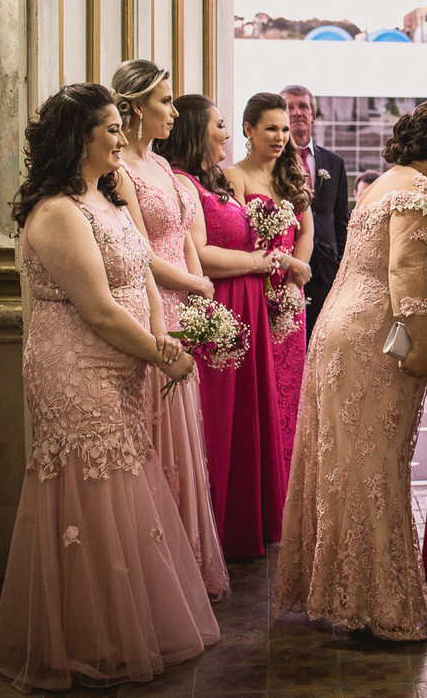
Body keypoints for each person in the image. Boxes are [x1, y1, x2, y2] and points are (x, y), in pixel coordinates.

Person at [0, 83, 218, 691]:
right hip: (75, 367)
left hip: (123, 360)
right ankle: (86, 639)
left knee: (125, 487)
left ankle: (119, 630)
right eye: (112, 129)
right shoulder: (59, 212)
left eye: (122, 128)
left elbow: (141, 271)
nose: (123, 139)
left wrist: (159, 335)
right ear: (80, 139)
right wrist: (158, 354)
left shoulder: (108, 197)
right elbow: (94, 308)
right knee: (95, 488)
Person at [272, 100, 427, 641]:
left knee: (350, 463)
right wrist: (422, 348)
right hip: (378, 339)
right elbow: (406, 270)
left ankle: (348, 591)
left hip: (343, 330)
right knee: (374, 465)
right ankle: (380, 606)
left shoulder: (390, 183)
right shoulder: (418, 194)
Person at [111, 60, 229, 598]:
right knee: (157, 439)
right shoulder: (122, 173)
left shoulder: (166, 169)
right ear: (136, 109)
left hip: (187, 303)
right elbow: (139, 254)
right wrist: (197, 286)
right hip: (153, 305)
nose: (175, 112)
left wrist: (200, 289)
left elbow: (183, 236)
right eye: (165, 101)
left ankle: (184, 566)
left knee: (184, 439)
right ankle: (153, 577)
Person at [169, 94, 286, 559]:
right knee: (219, 421)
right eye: (219, 124)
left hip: (248, 305)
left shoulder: (213, 183)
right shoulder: (184, 185)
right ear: (199, 130)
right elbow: (202, 253)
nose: (225, 133)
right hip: (222, 307)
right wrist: (259, 262)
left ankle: (242, 524)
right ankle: (214, 530)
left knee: (245, 419)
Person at [225, 93, 313, 482]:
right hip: (252, 293)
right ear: (248, 130)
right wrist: (284, 263)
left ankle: (288, 485)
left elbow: (306, 229)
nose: (281, 137)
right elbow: (236, 236)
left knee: (290, 392)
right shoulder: (234, 176)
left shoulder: (289, 175)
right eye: (271, 129)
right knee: (260, 394)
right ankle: (262, 482)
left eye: (283, 130)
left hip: (290, 298)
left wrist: (297, 273)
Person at [281, 85, 348, 340]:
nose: (296, 112)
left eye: (303, 106)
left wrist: (341, 262)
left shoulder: (334, 162)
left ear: (314, 115)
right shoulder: (274, 163)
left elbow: (342, 219)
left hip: (328, 267)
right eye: (289, 107)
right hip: (290, 263)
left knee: (327, 337)